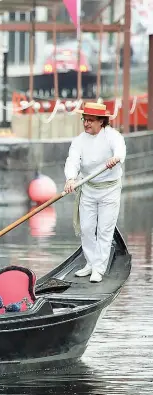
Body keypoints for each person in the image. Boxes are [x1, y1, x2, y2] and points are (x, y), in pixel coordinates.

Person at [64, 102, 126, 283]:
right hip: (89, 188)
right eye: (85, 119)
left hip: (110, 189)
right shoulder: (79, 141)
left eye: (91, 120)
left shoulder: (112, 136)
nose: (86, 123)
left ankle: (99, 268)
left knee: (105, 230)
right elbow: (72, 160)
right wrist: (70, 178)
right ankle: (90, 263)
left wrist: (115, 158)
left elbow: (120, 151)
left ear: (101, 121)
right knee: (87, 228)